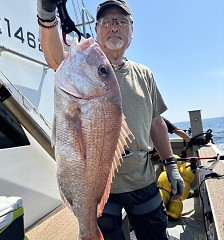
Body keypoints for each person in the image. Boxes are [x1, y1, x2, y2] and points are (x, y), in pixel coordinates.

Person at [37, 0, 184, 239]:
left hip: (142, 178)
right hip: (102, 186)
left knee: (155, 233)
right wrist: (47, 16)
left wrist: (171, 165)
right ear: (96, 30)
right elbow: (54, 57)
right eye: (107, 22)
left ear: (131, 31)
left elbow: (156, 122)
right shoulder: (83, 65)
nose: (114, 27)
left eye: (121, 22)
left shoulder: (144, 73)